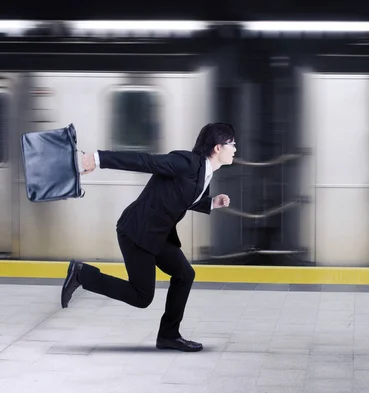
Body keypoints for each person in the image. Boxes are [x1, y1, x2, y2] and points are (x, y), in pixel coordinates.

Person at [60, 122, 237, 352]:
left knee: (184, 274)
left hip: (157, 234)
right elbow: (146, 161)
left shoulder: (204, 172)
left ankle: (169, 336)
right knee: (142, 297)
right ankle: (82, 274)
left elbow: (180, 197)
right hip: (137, 231)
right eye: (232, 144)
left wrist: (211, 203)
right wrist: (98, 158)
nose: (235, 149)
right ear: (217, 147)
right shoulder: (186, 163)